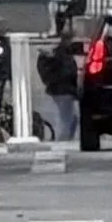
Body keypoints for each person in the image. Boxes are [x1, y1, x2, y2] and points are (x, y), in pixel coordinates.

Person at [37, 11, 80, 145]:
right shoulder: (62, 54)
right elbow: (68, 72)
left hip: (61, 90)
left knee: (70, 118)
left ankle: (65, 140)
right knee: (66, 118)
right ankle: (63, 142)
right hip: (63, 90)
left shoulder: (60, 53)